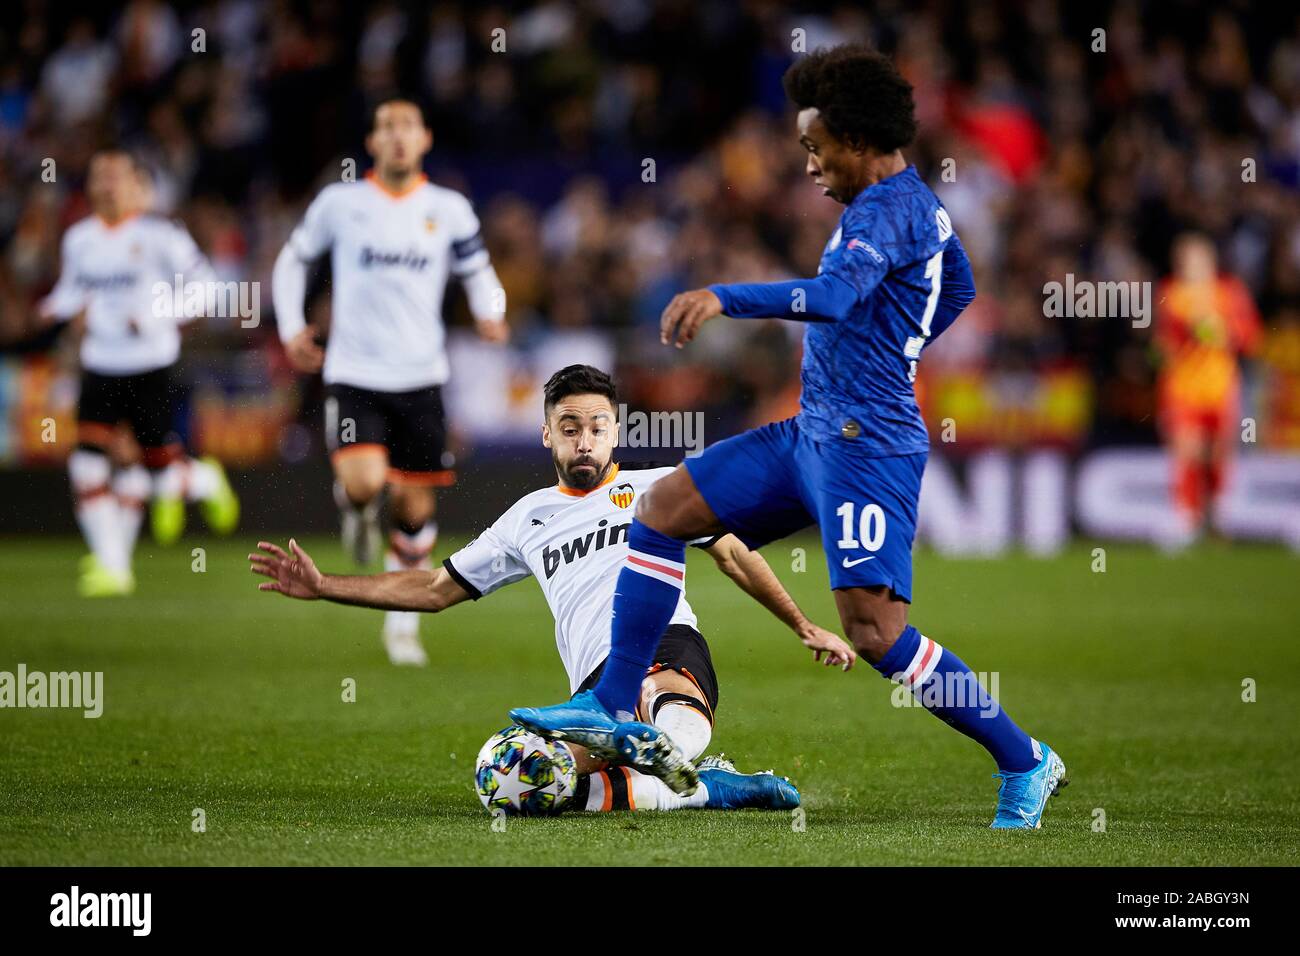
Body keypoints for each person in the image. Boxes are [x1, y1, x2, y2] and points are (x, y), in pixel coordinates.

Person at [510, 45, 1068, 829]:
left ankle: (1026, 759)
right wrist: (899, 339)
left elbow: (838, 297)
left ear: (857, 139)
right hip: (810, 431)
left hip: (867, 448)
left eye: (815, 145)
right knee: (664, 508)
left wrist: (725, 297)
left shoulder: (887, 211)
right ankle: (608, 704)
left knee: (875, 634)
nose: (807, 162)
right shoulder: (905, 206)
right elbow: (960, 283)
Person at [250, 364, 855, 811]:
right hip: (591, 690)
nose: (584, 440)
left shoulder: (661, 486)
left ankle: (676, 748)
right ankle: (704, 789)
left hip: (668, 643)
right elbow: (435, 588)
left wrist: (802, 624)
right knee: (518, 787)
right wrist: (327, 584)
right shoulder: (527, 517)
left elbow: (734, 553)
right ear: (547, 436)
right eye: (569, 427)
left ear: (616, 432)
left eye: (596, 426)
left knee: (673, 715)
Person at [272, 97, 508, 666]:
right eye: (386, 128)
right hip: (354, 373)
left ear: (425, 138)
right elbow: (291, 261)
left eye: (408, 127)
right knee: (362, 483)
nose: (398, 137)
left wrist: (491, 310)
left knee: (412, 507)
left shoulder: (448, 208)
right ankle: (354, 510)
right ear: (372, 142)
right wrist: (290, 326)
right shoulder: (341, 203)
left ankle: (402, 628)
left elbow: (480, 272)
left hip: (422, 378)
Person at [41, 147, 239, 597]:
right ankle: (113, 568)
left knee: (157, 476)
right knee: (87, 462)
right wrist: (55, 311)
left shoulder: (159, 235)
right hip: (99, 364)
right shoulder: (79, 239)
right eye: (99, 176)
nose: (107, 184)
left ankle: (205, 479)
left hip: (150, 365)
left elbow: (207, 288)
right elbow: (69, 293)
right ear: (89, 185)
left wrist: (157, 315)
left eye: (116, 175)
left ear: (135, 185)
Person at [1154, 232, 1262, 548]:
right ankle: (1185, 517)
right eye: (1184, 260)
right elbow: (1163, 341)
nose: (1189, 266)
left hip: (1220, 385)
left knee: (1218, 452)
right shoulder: (1170, 293)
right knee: (1186, 450)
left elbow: (1250, 337)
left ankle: (1218, 513)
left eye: (1195, 259)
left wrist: (1222, 332)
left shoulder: (1229, 292)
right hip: (1182, 386)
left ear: (1210, 262)